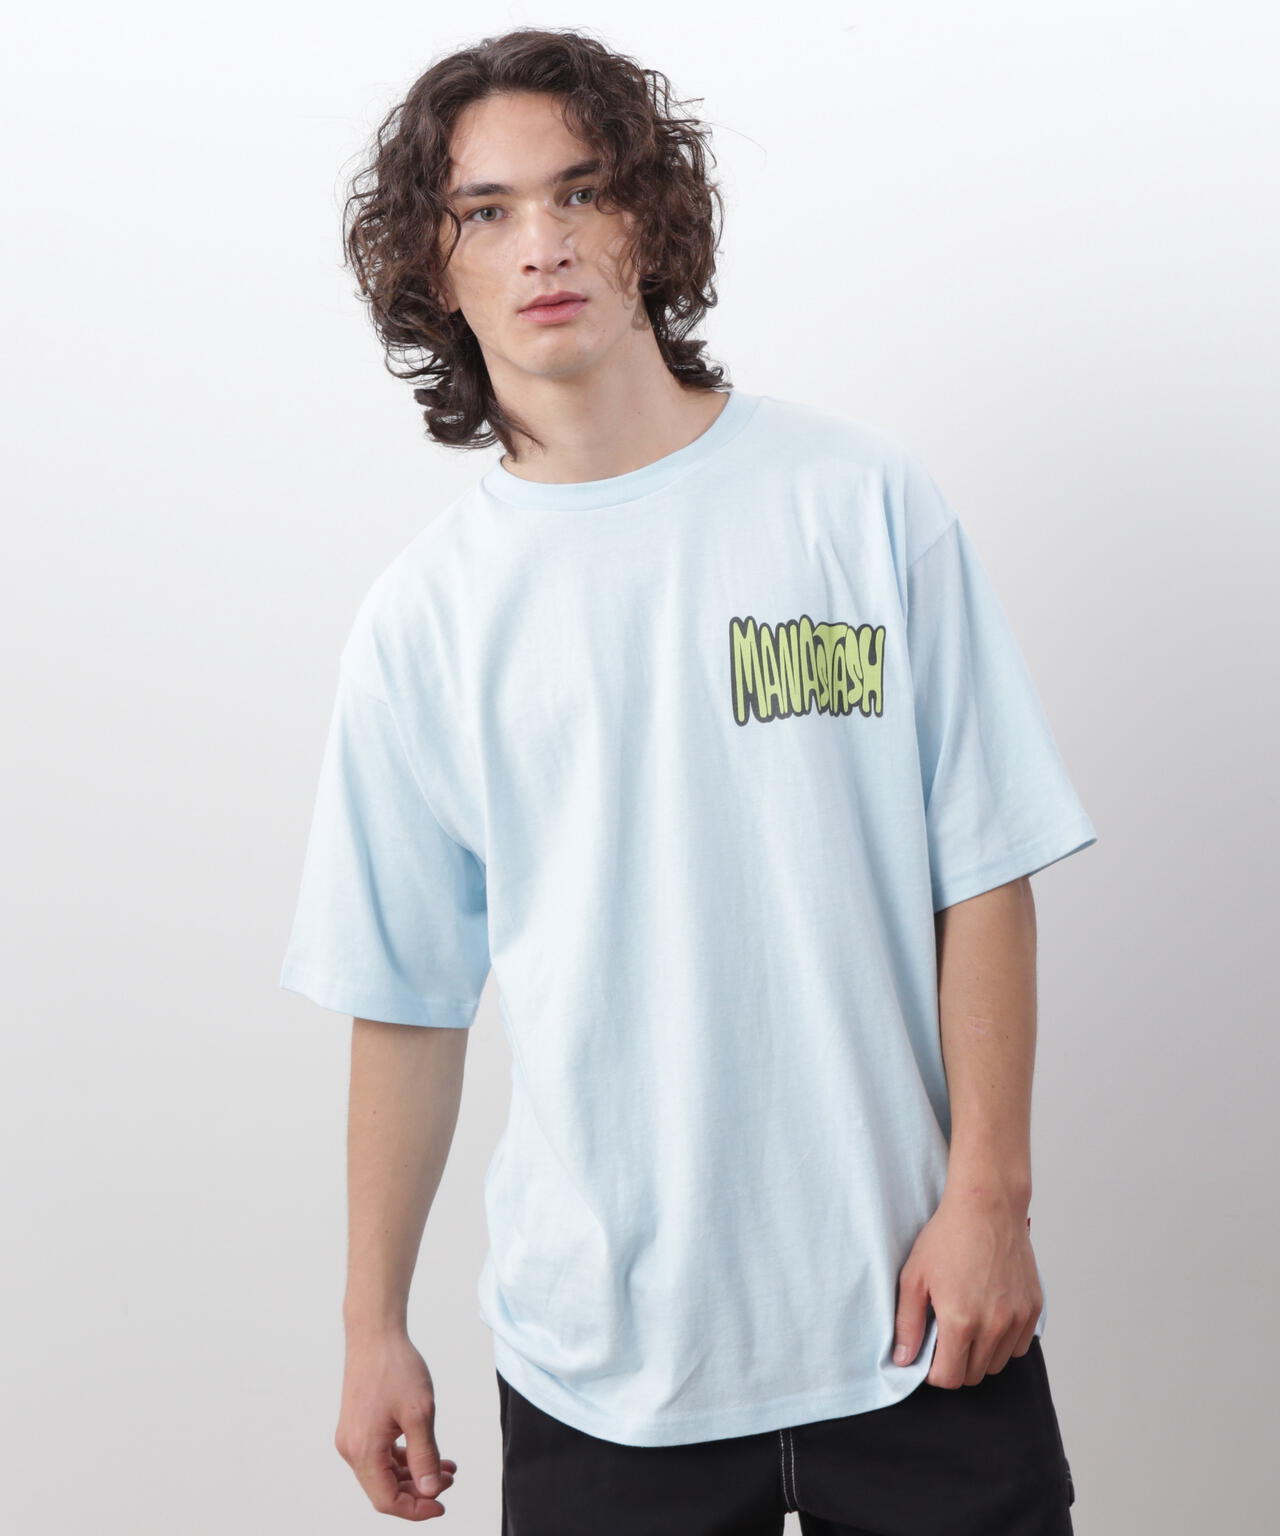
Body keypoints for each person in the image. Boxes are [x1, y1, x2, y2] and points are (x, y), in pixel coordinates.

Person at [279, 26, 1092, 1535]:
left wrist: (991, 1197)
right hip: (602, 1363)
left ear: (650, 220)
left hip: (921, 1320)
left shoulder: (859, 503)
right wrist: (369, 1324)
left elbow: (983, 867)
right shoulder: (426, 622)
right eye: (487, 212)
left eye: (581, 192)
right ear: (434, 269)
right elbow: (406, 997)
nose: (543, 244)